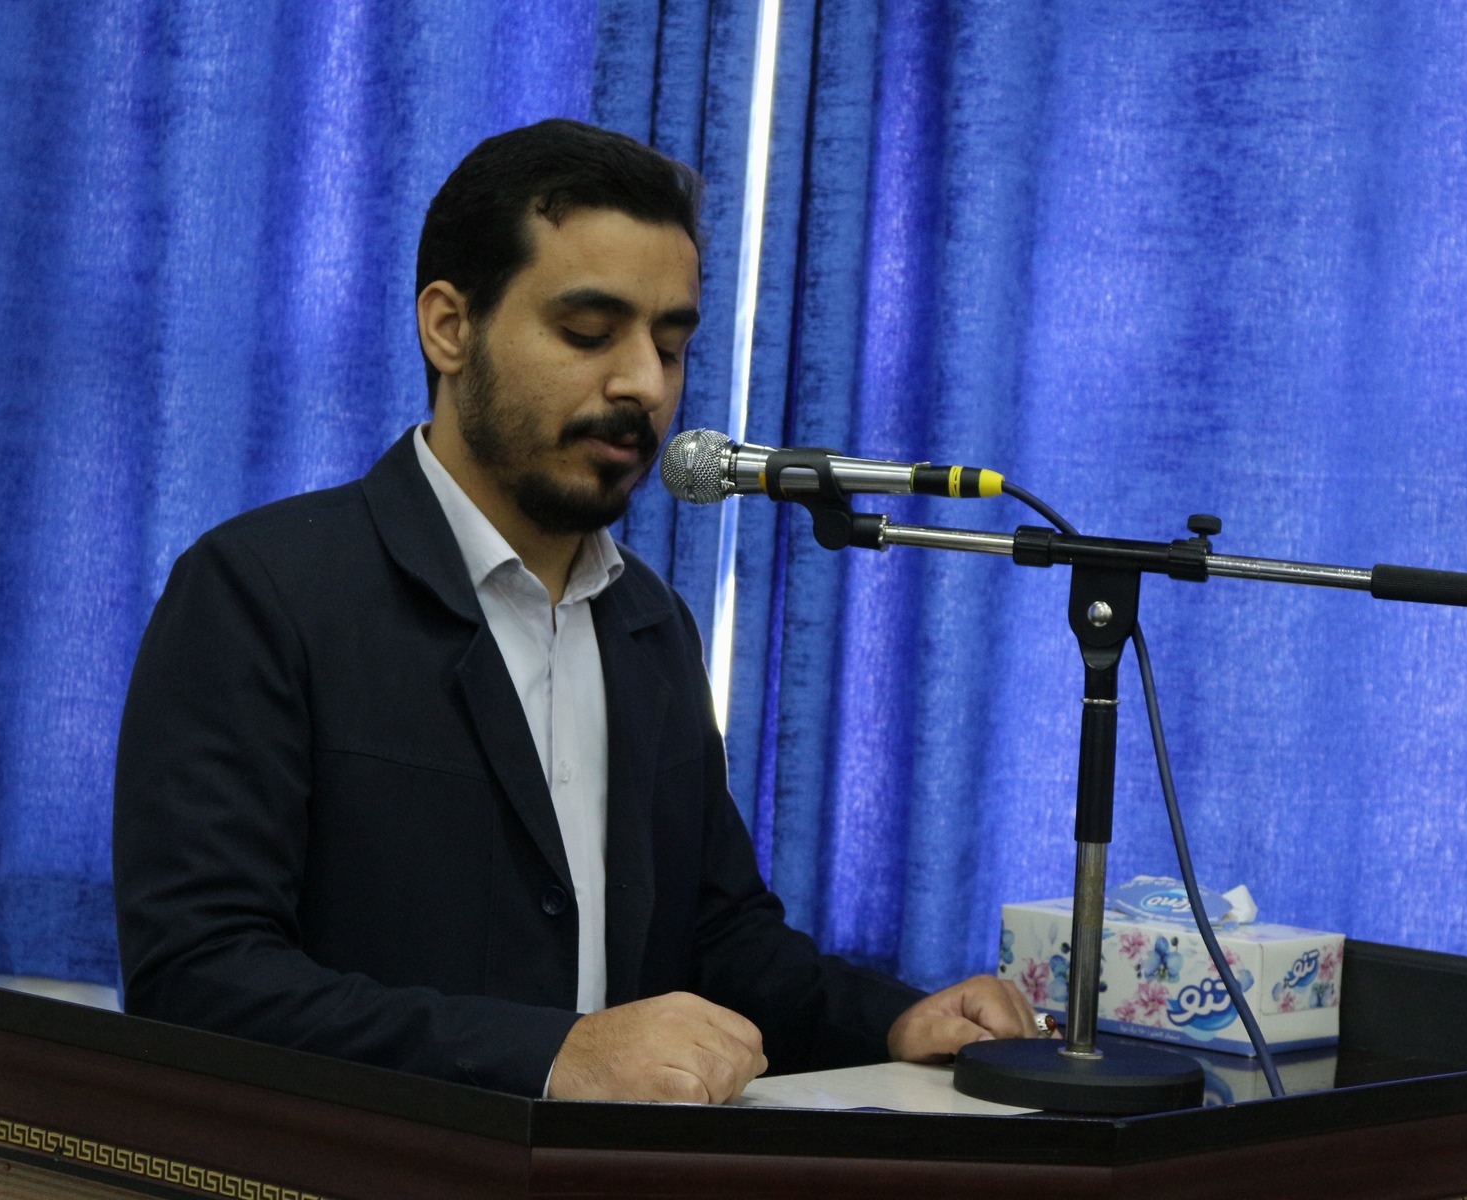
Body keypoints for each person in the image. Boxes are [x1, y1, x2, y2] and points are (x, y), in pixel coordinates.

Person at [113, 119, 1033, 1103]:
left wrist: (893, 1020)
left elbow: (719, 940)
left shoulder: (652, 624)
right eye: (589, 333)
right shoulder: (261, 591)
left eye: (671, 345)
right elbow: (199, 980)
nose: (645, 383)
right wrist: (555, 1055)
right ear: (449, 327)